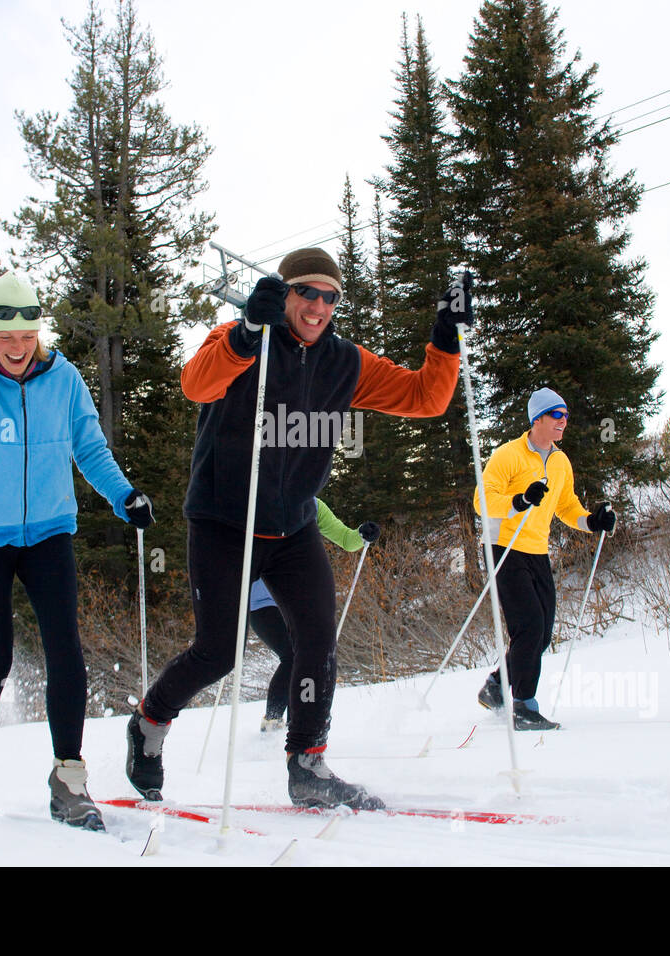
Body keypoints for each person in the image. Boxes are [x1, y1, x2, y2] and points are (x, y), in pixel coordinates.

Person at [126, 247, 470, 810]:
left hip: (293, 527)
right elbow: (196, 384)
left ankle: (307, 763)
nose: (318, 305)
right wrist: (245, 334)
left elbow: (425, 398)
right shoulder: (240, 338)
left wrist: (445, 338)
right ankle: (149, 724)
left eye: (330, 296)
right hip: (223, 521)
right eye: (306, 292)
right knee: (217, 651)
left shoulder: (344, 362)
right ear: (284, 294)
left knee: (316, 643)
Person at [0, 270, 154, 831]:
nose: (16, 349)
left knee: (66, 650)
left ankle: (69, 778)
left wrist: (124, 496)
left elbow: (88, 446)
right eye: (4, 338)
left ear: (38, 333)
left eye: (25, 337)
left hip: (47, 534)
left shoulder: (62, 378)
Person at [471, 387, 617, 730]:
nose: (563, 421)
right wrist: (519, 501)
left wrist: (591, 522)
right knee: (529, 626)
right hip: (503, 547)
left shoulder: (560, 462)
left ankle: (495, 686)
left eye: (566, 416)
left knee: (542, 634)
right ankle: (523, 707)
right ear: (537, 419)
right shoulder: (509, 455)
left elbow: (566, 506)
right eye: (557, 415)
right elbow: (483, 499)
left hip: (537, 550)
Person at [250, 498, 380, 733]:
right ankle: (272, 721)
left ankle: (298, 725)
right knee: (292, 655)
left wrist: (361, 535)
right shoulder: (257, 502)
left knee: (308, 656)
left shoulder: (311, 504)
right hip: (261, 602)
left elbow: (345, 539)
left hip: (296, 598)